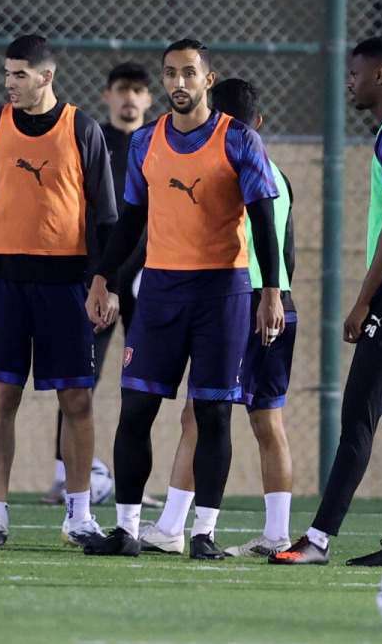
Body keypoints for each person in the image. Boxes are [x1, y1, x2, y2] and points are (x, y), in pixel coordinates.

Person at [83, 41, 284, 561]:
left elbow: (264, 221)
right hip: (160, 293)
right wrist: (103, 278)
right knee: (136, 409)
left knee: (214, 414)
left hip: (223, 291)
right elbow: (130, 220)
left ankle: (203, 534)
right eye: (170, 73)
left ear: (208, 79)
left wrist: (270, 293)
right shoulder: (147, 141)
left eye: (188, 73)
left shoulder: (239, 140)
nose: (179, 82)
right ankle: (126, 529)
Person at [271, 36, 382, 567]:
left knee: (358, 415)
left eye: (354, 72)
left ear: (380, 74)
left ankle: (318, 539)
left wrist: (363, 302)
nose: (347, 81)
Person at [0, 35, 118, 547]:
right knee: (1, 399)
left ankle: (79, 516)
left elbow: (105, 217)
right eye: (6, 74)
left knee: (77, 400)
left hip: (66, 283)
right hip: (2, 281)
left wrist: (103, 282)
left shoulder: (81, 129)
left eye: (19, 74)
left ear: (46, 76)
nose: (9, 83)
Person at [138, 78, 298, 558]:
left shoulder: (220, 163)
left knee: (198, 417)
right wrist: (279, 296)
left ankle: (171, 526)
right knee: (267, 422)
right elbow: (285, 248)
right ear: (259, 123)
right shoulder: (278, 175)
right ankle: (277, 532)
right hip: (278, 298)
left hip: (231, 297)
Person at [43, 61, 154, 508]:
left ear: (149, 98)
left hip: (148, 276)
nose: (130, 98)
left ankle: (133, 483)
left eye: (139, 90)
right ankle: (62, 475)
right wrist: (93, 272)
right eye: (123, 89)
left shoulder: (157, 141)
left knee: (145, 381)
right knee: (79, 375)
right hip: (98, 275)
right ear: (107, 95)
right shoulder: (91, 140)